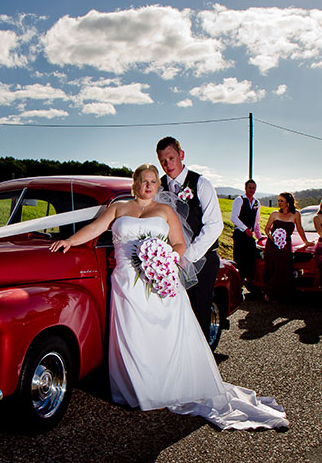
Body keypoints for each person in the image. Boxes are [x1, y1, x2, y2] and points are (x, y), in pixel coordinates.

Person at [49, 164, 288, 430]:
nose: (148, 185)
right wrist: (70, 241)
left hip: (159, 279)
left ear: (157, 186)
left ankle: (163, 390)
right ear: (135, 183)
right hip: (126, 282)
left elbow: (179, 243)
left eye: (153, 181)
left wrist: (165, 259)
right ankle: (139, 389)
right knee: (132, 333)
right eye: (143, 181)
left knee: (161, 333)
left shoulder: (165, 211)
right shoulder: (119, 208)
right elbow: (95, 228)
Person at [155, 137, 224, 344]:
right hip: (171, 261)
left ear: (181, 155)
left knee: (199, 311)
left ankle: (201, 365)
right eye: (163, 161)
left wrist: (188, 255)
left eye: (171, 158)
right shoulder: (158, 186)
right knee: (173, 312)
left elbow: (215, 225)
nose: (167, 165)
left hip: (202, 260)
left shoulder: (201, 183)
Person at [262, 192, 313, 303]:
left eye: (282, 201)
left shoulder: (296, 214)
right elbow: (267, 229)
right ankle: (269, 292)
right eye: (278, 200)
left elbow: (300, 229)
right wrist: (271, 238)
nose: (279, 203)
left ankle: (281, 295)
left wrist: (306, 241)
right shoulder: (274, 214)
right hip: (272, 245)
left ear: (288, 202)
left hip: (285, 245)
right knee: (272, 268)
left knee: (283, 269)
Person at [231, 179, 262, 285]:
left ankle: (249, 282)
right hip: (240, 234)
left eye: (254, 188)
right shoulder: (239, 200)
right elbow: (234, 217)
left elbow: (256, 222)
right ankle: (237, 284)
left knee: (251, 260)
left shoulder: (257, 203)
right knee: (240, 260)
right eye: (250, 188)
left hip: (249, 236)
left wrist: (259, 237)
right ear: (245, 188)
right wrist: (245, 229)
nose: (252, 190)